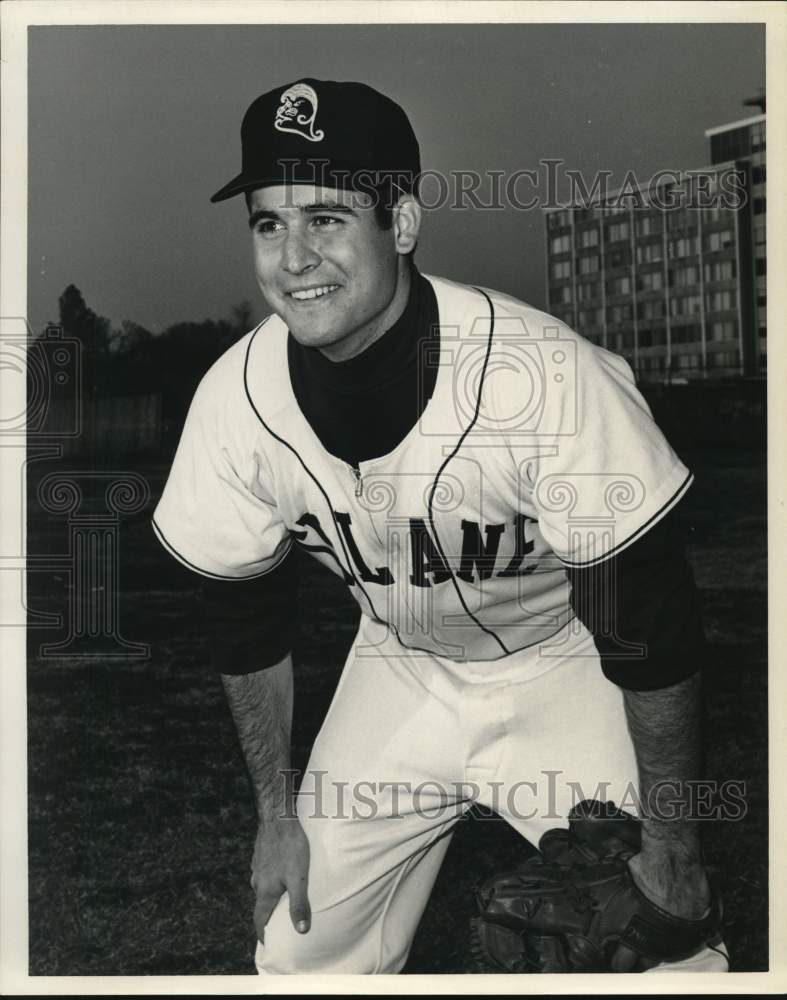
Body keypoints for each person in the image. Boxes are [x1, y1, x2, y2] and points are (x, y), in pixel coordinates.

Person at [152, 78, 728, 974]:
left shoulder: (541, 375)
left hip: (565, 663)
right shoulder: (234, 398)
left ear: (403, 224)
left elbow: (651, 629)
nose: (293, 257)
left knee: (658, 953)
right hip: (398, 669)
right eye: (269, 223)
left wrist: (675, 852)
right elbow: (244, 623)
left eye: (327, 218)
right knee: (298, 950)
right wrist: (276, 816)